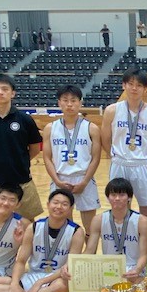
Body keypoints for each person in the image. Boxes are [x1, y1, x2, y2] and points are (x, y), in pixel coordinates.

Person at [101, 67, 147, 255]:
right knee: (119, 211)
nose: (134, 88)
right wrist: (117, 157)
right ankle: (121, 254)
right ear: (124, 85)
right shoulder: (112, 110)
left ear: (145, 89)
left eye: (139, 85)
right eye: (131, 84)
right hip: (120, 164)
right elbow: (105, 139)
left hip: (143, 165)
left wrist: (145, 159)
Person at [0, 73, 44, 221]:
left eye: (5, 89)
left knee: (26, 224)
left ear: (13, 93)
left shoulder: (25, 120)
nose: (0, 92)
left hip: (21, 180)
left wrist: (19, 161)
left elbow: (35, 148)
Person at [42, 85, 101, 236]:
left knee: (90, 229)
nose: (69, 104)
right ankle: (66, 252)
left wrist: (84, 182)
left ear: (80, 102)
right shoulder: (50, 128)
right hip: (60, 179)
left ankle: (89, 252)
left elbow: (96, 158)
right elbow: (47, 157)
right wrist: (57, 181)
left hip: (84, 179)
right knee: (63, 227)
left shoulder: (91, 128)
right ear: (59, 102)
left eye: (73, 100)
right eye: (65, 100)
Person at [85, 178, 147, 282]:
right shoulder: (98, 220)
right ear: (108, 197)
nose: (117, 198)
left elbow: (143, 255)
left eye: (122, 195)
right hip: (108, 268)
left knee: (139, 285)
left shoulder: (142, 221)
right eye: (113, 195)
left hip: (133, 267)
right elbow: (89, 250)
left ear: (129, 198)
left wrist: (137, 270)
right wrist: (73, 264)